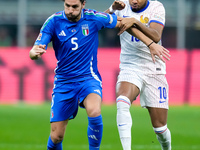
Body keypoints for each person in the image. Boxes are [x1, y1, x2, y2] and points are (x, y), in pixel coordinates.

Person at [29, 0, 170, 149]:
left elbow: (124, 24)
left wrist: (150, 44)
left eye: (74, 7)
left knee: (94, 111)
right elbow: (36, 49)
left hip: (88, 79)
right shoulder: (53, 21)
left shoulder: (93, 17)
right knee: (57, 136)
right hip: (64, 82)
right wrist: (33, 53)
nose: (70, 10)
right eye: (67, 6)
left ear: (83, 4)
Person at [105, 0, 171, 150]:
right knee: (122, 101)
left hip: (154, 67)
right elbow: (98, 22)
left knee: (160, 129)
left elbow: (155, 35)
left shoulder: (156, 7)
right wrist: (111, 9)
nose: (133, 1)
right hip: (130, 66)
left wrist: (134, 21)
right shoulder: (122, 6)